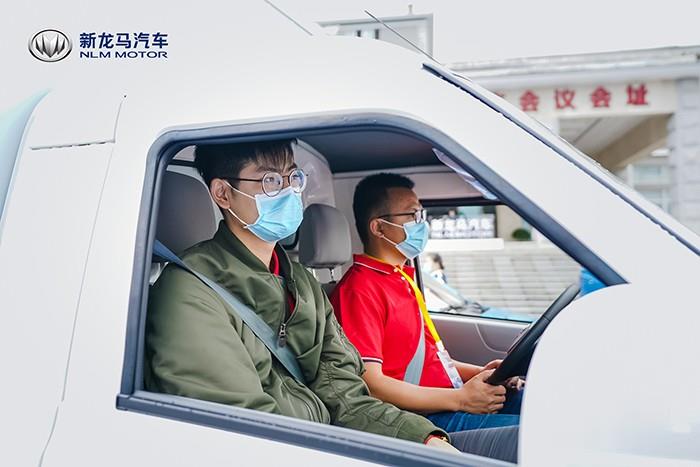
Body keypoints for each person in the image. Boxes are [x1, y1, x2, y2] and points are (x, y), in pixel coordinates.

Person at [144, 140, 519, 461]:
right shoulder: (189, 294)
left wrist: (424, 439)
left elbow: (347, 396)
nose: (289, 192)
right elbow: (246, 433)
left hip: (336, 443)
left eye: (293, 178)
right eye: (271, 180)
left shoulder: (301, 283)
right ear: (223, 194)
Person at [330, 173, 524, 434]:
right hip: (423, 419)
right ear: (378, 228)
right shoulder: (359, 290)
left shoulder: (400, 278)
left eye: (421, 214)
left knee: (540, 405)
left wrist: (482, 374)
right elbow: (372, 384)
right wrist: (461, 399)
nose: (421, 223)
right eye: (412, 215)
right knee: (534, 434)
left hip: (447, 401)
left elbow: (430, 361)